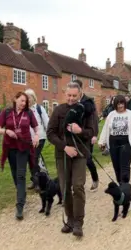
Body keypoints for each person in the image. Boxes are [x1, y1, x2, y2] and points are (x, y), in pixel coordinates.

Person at [47, 82, 97, 237]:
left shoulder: (87, 110)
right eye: (68, 95)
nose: (71, 98)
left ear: (79, 94)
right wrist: (64, 147)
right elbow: (50, 133)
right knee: (65, 187)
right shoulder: (58, 110)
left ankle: (78, 223)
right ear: (65, 93)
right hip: (62, 155)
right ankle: (70, 219)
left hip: (80, 155)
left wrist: (80, 130)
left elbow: (92, 131)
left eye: (74, 96)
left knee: (78, 186)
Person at [0, 92, 40, 220]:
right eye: (21, 101)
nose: (23, 103)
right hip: (10, 148)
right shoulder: (7, 112)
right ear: (15, 99)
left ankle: (20, 205)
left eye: (25, 101)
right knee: (15, 174)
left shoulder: (29, 113)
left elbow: (36, 128)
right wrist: (6, 131)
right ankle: (22, 194)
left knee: (21, 174)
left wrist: (36, 136)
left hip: (24, 147)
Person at [98, 95, 131, 184]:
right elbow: (106, 128)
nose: (120, 106)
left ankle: (125, 184)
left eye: (122, 103)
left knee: (124, 165)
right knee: (116, 166)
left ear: (125, 104)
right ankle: (120, 183)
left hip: (126, 142)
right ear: (115, 105)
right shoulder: (111, 114)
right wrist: (102, 141)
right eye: (118, 104)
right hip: (113, 142)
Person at [73, 79, 100, 191]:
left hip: (88, 135)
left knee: (88, 159)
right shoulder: (73, 101)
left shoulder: (88, 101)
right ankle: (78, 184)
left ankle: (95, 178)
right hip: (76, 136)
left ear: (80, 89)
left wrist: (94, 135)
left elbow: (94, 119)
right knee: (77, 160)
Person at [24, 89, 50, 191]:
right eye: (26, 98)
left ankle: (39, 183)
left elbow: (47, 123)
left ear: (33, 98)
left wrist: (50, 136)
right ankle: (36, 181)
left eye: (29, 97)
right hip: (28, 140)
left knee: (34, 159)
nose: (27, 100)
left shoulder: (39, 109)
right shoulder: (24, 110)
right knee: (31, 160)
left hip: (40, 138)